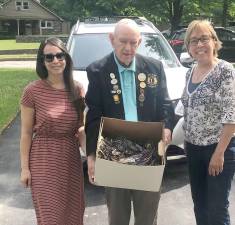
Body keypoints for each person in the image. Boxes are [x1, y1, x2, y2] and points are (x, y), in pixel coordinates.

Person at [85, 18, 174, 225]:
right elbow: (93, 116)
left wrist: (167, 127)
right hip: (113, 147)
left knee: (147, 216)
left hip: (149, 146)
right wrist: (91, 155)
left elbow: (165, 104)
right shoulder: (97, 71)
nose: (128, 48)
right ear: (111, 39)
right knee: (118, 217)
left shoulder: (154, 67)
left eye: (133, 42)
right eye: (123, 41)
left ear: (140, 41)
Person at [20, 37, 85, 225]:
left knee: (73, 214)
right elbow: (25, 133)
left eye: (59, 55)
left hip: (70, 159)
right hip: (43, 159)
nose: (55, 61)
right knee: (50, 216)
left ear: (66, 58)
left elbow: (81, 127)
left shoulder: (77, 89)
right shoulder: (32, 91)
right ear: (42, 61)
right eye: (49, 57)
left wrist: (93, 159)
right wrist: (25, 169)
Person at [181, 20, 235, 225]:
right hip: (194, 149)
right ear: (188, 47)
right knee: (200, 204)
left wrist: (219, 153)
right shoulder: (189, 72)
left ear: (214, 41)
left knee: (216, 208)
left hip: (217, 149)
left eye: (204, 38)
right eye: (193, 41)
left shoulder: (225, 70)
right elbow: (187, 110)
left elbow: (232, 115)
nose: (199, 45)